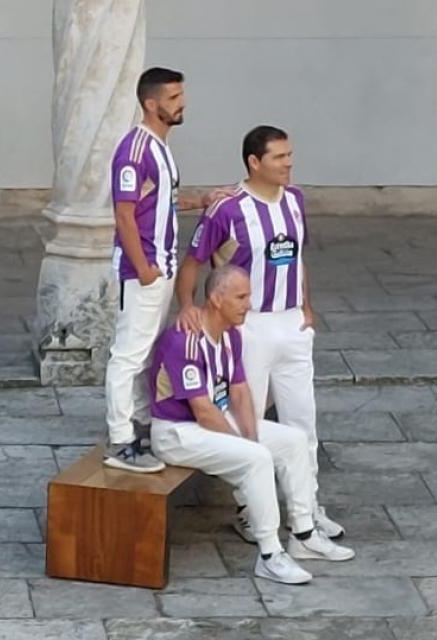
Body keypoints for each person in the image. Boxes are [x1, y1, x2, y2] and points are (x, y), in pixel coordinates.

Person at [175, 125, 345, 540]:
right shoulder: (227, 209)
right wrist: (189, 308)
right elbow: (193, 261)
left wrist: (306, 305)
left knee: (302, 420)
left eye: (289, 155)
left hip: (290, 325)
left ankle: (308, 506)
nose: (288, 163)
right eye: (279, 157)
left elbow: (297, 256)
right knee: (246, 419)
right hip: (248, 327)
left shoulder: (296, 201)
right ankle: (251, 506)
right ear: (254, 162)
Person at [149, 265, 354, 584]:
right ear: (216, 299)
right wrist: (247, 445)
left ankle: (303, 534)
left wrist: (252, 434)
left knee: (293, 441)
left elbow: (240, 391)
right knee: (256, 459)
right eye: (241, 296)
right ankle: (270, 554)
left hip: (212, 420)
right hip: (178, 431)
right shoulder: (185, 340)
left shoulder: (231, 334)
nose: (248, 304)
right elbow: (202, 411)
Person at [104, 67, 225, 473]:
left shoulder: (159, 147)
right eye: (173, 97)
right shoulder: (135, 150)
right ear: (151, 104)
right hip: (146, 271)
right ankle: (121, 440)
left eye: (181, 95)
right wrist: (144, 268)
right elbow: (123, 214)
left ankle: (140, 422)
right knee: (128, 355)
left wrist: (202, 200)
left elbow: (158, 202)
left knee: (146, 351)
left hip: (160, 267)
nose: (182, 103)